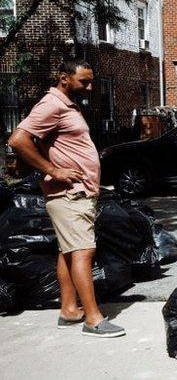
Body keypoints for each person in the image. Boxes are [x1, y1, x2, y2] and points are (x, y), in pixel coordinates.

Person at [8, 59, 125, 338]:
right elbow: (18, 140)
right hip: (69, 194)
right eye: (84, 81)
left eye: (91, 80)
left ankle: (70, 310)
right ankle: (93, 319)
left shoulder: (67, 105)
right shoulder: (52, 104)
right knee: (84, 252)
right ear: (64, 78)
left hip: (78, 192)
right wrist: (52, 170)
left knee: (68, 251)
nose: (90, 86)